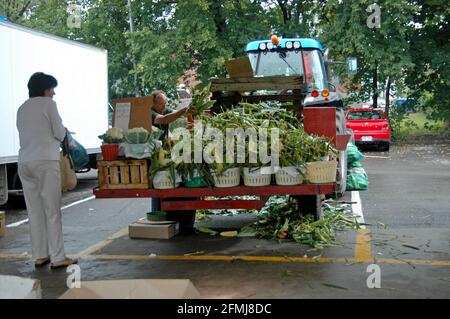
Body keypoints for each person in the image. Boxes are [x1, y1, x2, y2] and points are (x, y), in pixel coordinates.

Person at [16, 72, 78, 269]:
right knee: (52, 210)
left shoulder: (22, 108)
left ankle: (40, 255)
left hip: (25, 162)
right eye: (51, 89)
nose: (53, 94)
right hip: (45, 161)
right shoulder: (48, 105)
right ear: (44, 89)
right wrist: (65, 131)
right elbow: (59, 133)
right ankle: (58, 257)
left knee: (34, 211)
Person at [150, 90, 196, 234]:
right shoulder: (149, 112)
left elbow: (175, 114)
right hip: (153, 152)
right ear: (153, 103)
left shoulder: (164, 109)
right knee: (159, 184)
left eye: (165, 104)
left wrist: (188, 112)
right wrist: (183, 110)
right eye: (161, 104)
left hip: (165, 149)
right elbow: (163, 119)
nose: (163, 107)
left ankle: (182, 223)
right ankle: (164, 219)